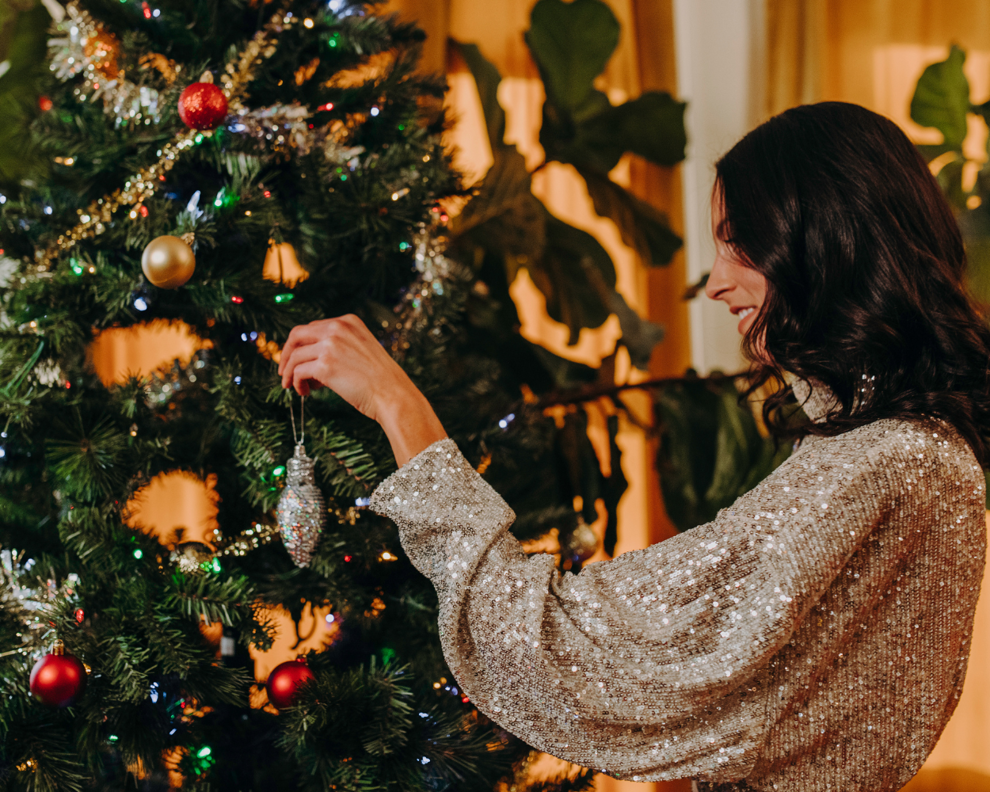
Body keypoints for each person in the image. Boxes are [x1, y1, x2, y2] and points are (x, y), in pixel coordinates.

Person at [277, 102, 990, 792]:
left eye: (737, 239)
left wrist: (401, 410)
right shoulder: (897, 452)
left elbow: (573, 651)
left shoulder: (892, 464)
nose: (715, 282)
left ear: (826, 235)